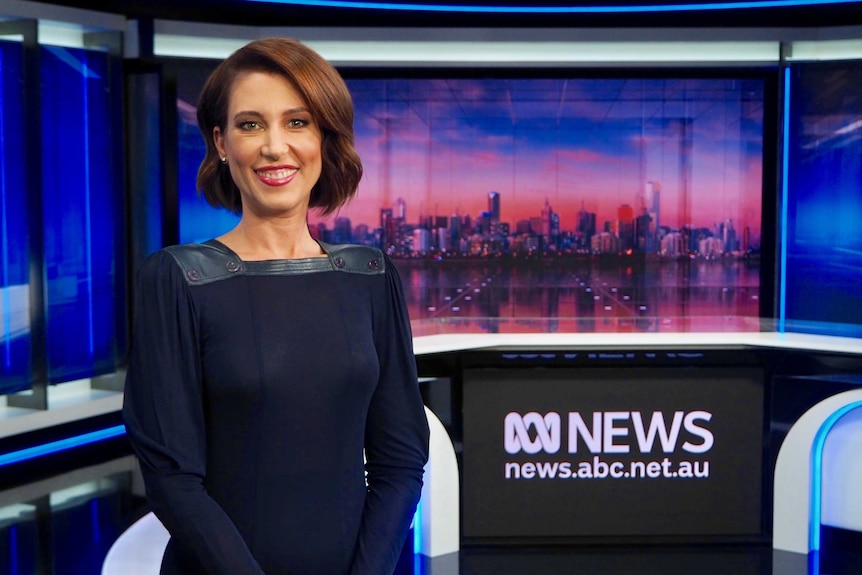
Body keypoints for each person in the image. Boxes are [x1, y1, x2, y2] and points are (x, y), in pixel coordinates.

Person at [122, 38, 430, 575]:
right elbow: (173, 479)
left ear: (323, 139)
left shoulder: (370, 276)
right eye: (250, 124)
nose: (273, 147)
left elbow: (400, 461)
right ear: (220, 142)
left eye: (296, 122)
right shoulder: (176, 278)